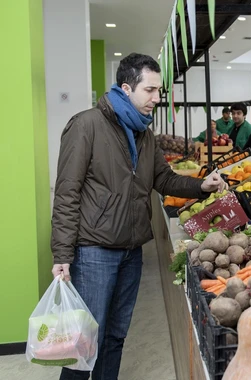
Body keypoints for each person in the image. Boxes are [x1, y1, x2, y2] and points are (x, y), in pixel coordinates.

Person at [51, 53, 227, 380]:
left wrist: (202, 185)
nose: (156, 99)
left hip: (132, 251)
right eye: (150, 90)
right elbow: (67, 193)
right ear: (126, 88)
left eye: (158, 91)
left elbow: (164, 179)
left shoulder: (143, 134)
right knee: (84, 341)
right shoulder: (86, 125)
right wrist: (62, 253)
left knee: (116, 336)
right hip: (94, 252)